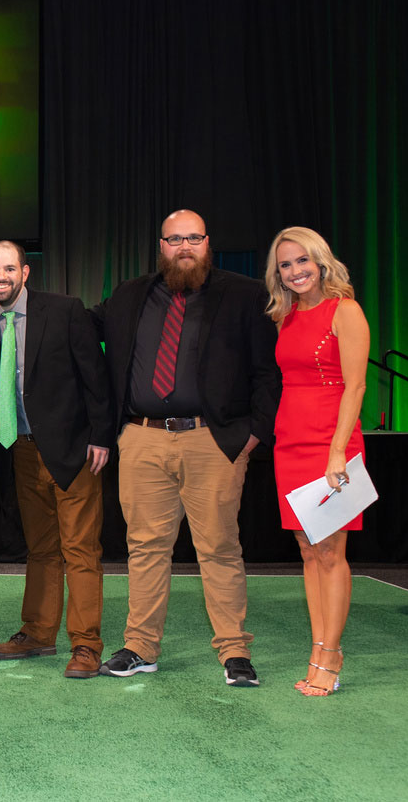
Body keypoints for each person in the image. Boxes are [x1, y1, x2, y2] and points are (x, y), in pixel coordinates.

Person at [90, 209, 281, 687]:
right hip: (142, 438)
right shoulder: (132, 295)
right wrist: (17, 306)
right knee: (145, 548)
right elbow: (79, 324)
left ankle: (234, 651)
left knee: (218, 547)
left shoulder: (244, 295)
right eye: (175, 239)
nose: (184, 247)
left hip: (212, 441)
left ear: (207, 242)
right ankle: (140, 647)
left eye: (193, 237)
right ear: (161, 246)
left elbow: (267, 373)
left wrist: (254, 433)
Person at [0, 241, 115, 678]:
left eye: (9, 268)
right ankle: (38, 632)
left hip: (74, 450)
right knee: (40, 550)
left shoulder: (64, 310)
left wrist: (100, 436)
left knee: (80, 550)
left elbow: (95, 375)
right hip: (19, 449)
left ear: (25, 272)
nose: (2, 276)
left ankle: (86, 645)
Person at [265, 226, 368, 697]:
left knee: (331, 553)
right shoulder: (285, 317)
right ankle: (317, 647)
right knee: (308, 551)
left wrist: (336, 452)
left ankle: (331, 655)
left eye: (302, 261)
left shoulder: (345, 310)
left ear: (321, 261)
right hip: (290, 441)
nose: (295, 271)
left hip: (332, 445)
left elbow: (356, 386)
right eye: (285, 265)